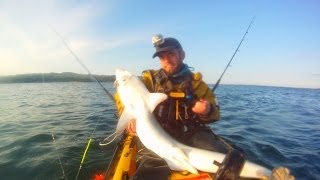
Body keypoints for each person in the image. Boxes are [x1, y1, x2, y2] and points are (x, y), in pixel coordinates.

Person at [114, 34, 229, 180]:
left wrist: (207, 110)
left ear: (182, 54)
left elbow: (215, 114)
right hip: (158, 134)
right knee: (146, 172)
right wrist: (132, 116)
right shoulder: (150, 79)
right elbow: (123, 95)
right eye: (162, 57)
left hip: (192, 133)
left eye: (171, 54)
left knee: (226, 160)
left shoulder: (197, 84)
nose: (167, 60)